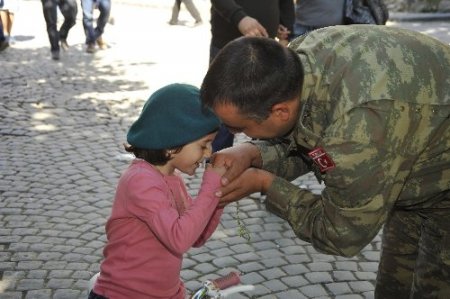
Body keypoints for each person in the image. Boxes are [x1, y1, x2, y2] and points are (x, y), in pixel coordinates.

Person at [200, 26, 450, 298]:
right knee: (394, 287)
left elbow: (341, 233)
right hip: (412, 165)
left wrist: (266, 184)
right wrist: (253, 153)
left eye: (238, 128)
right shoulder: (292, 62)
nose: (234, 134)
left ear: (280, 111)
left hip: (442, 186)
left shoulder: (359, 128)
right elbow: (312, 139)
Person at [89, 83, 226, 299]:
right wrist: (210, 189)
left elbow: (195, 236)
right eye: (204, 144)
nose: (209, 152)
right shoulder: (141, 181)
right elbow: (179, 239)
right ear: (172, 144)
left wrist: (219, 199)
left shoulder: (173, 179)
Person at [209, 0, 295, 153]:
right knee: (223, 110)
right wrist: (240, 18)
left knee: (265, 111)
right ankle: (217, 166)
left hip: (266, 45)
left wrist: (286, 24)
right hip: (228, 43)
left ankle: (261, 165)